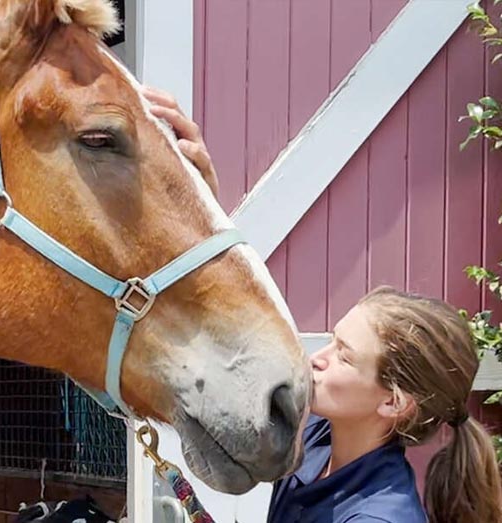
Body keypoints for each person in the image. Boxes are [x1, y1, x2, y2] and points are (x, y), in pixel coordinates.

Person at [144, 87, 502, 523]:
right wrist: (196, 192)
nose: (317, 359)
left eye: (345, 357)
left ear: (394, 403)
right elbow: (237, 314)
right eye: (334, 340)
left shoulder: (378, 517)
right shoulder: (321, 437)